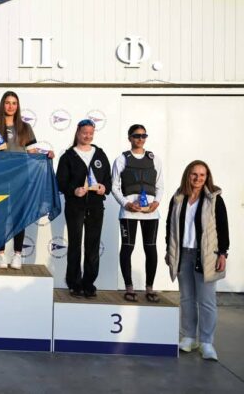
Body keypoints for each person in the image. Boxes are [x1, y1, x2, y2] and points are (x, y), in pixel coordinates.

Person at [165, 160, 229, 361]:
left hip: (206, 256)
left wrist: (223, 253)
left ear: (207, 177)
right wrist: (169, 250)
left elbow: (223, 227)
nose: (198, 178)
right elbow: (169, 225)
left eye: (202, 175)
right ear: (188, 175)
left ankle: (207, 342)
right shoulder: (178, 198)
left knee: (207, 301)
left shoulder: (214, 199)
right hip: (183, 254)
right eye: (194, 174)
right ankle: (189, 337)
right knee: (186, 298)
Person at [0, 91, 55, 269]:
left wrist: (46, 154)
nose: (10, 106)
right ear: (2, 105)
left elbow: (32, 153)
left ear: (18, 106)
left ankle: (17, 254)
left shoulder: (25, 128)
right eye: (7, 102)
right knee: (0, 217)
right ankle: (1, 254)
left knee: (19, 216)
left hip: (20, 178)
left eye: (14, 103)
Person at [56, 119, 111, 297]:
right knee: (75, 244)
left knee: (92, 246)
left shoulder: (100, 154)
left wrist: (104, 188)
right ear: (78, 133)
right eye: (84, 133)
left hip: (96, 206)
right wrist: (74, 190)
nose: (87, 136)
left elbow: (108, 180)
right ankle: (74, 283)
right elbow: (61, 182)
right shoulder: (68, 156)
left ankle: (89, 283)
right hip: (75, 206)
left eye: (90, 133)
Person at [111, 124, 164, 302]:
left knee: (150, 248)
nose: (140, 139)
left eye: (143, 136)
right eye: (136, 135)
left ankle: (150, 288)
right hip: (129, 212)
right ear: (130, 138)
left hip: (150, 212)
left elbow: (160, 185)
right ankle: (129, 288)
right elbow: (114, 186)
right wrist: (126, 204)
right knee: (128, 247)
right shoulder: (121, 159)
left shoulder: (154, 159)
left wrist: (156, 202)